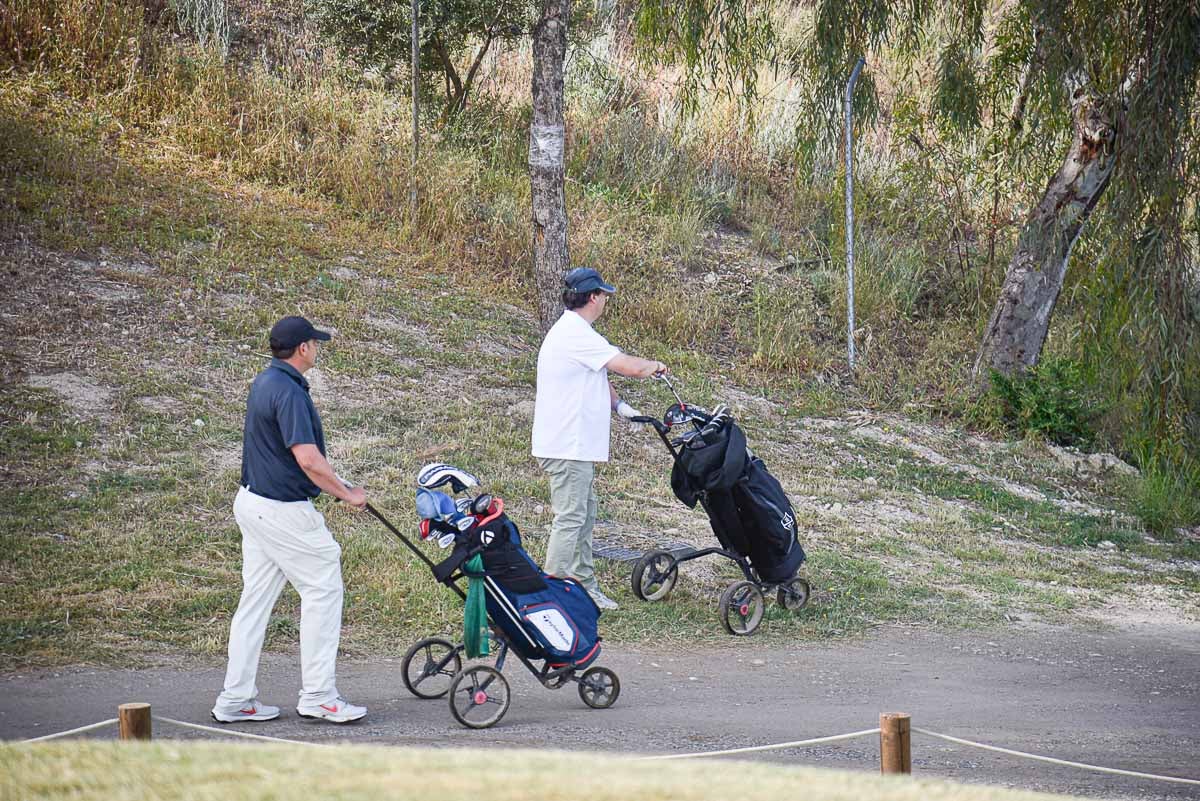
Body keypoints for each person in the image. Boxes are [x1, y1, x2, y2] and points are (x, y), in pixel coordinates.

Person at [211, 316, 368, 725]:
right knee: (323, 588)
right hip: (283, 510)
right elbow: (309, 459)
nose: (317, 348)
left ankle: (235, 698)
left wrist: (337, 483)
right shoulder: (291, 393)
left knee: (254, 604)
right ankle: (319, 695)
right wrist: (348, 493)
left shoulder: (266, 381)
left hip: (252, 502)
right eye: (315, 343)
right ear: (302, 349)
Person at [532, 267, 668, 610]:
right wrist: (655, 365)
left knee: (585, 513)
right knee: (570, 518)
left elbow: (600, 375)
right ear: (593, 297)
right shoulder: (576, 333)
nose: (606, 300)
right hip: (567, 446)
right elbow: (629, 367)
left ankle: (583, 585)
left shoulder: (575, 334)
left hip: (575, 447)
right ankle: (551, 596)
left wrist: (623, 408)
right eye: (604, 295)